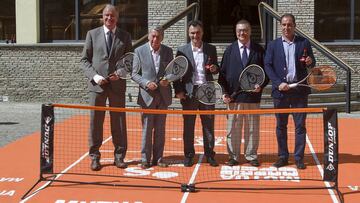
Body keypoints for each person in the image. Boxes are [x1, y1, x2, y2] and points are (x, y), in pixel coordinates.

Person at [80, 4, 133, 171]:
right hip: (97, 87)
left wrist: (120, 72)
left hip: (117, 85)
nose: (109, 18)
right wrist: (95, 77)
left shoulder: (125, 36)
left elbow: (130, 61)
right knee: (96, 122)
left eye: (112, 16)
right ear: (102, 17)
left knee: (118, 122)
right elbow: (84, 61)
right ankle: (95, 157)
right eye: (106, 16)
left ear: (117, 17)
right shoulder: (92, 34)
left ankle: (119, 156)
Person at [264, 13, 315, 169]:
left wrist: (310, 62)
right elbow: (268, 65)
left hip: (299, 91)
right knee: (281, 126)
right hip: (281, 92)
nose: (287, 27)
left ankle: (299, 158)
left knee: (300, 126)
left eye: (289, 25)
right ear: (281, 26)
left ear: (294, 26)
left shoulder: (304, 43)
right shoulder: (273, 45)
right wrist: (278, 83)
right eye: (284, 25)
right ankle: (283, 156)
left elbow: (312, 63)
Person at [218, 19, 268, 167]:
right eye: (239, 30)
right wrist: (225, 93)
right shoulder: (229, 50)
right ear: (236, 32)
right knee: (233, 129)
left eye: (245, 30)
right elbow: (222, 75)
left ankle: (251, 155)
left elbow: (266, 73)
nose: (242, 33)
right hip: (234, 98)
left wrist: (262, 86)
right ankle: (233, 156)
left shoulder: (259, 50)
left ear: (250, 32)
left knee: (252, 129)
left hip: (253, 97)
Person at [173, 20, 219, 167]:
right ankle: (189, 155)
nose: (195, 35)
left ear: (202, 32)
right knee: (188, 126)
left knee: (208, 125)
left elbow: (217, 67)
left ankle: (210, 155)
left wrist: (214, 68)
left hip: (207, 93)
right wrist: (179, 91)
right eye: (192, 33)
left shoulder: (211, 49)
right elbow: (176, 72)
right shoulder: (181, 50)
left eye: (198, 32)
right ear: (189, 34)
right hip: (189, 93)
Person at [131, 26, 173, 169]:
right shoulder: (139, 51)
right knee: (147, 129)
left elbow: (172, 72)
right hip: (147, 96)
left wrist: (168, 80)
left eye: (159, 37)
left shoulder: (168, 51)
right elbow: (134, 74)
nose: (155, 39)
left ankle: (159, 158)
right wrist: (146, 83)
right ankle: (145, 159)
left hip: (163, 96)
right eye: (153, 36)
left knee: (160, 130)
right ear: (149, 36)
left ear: (162, 37)